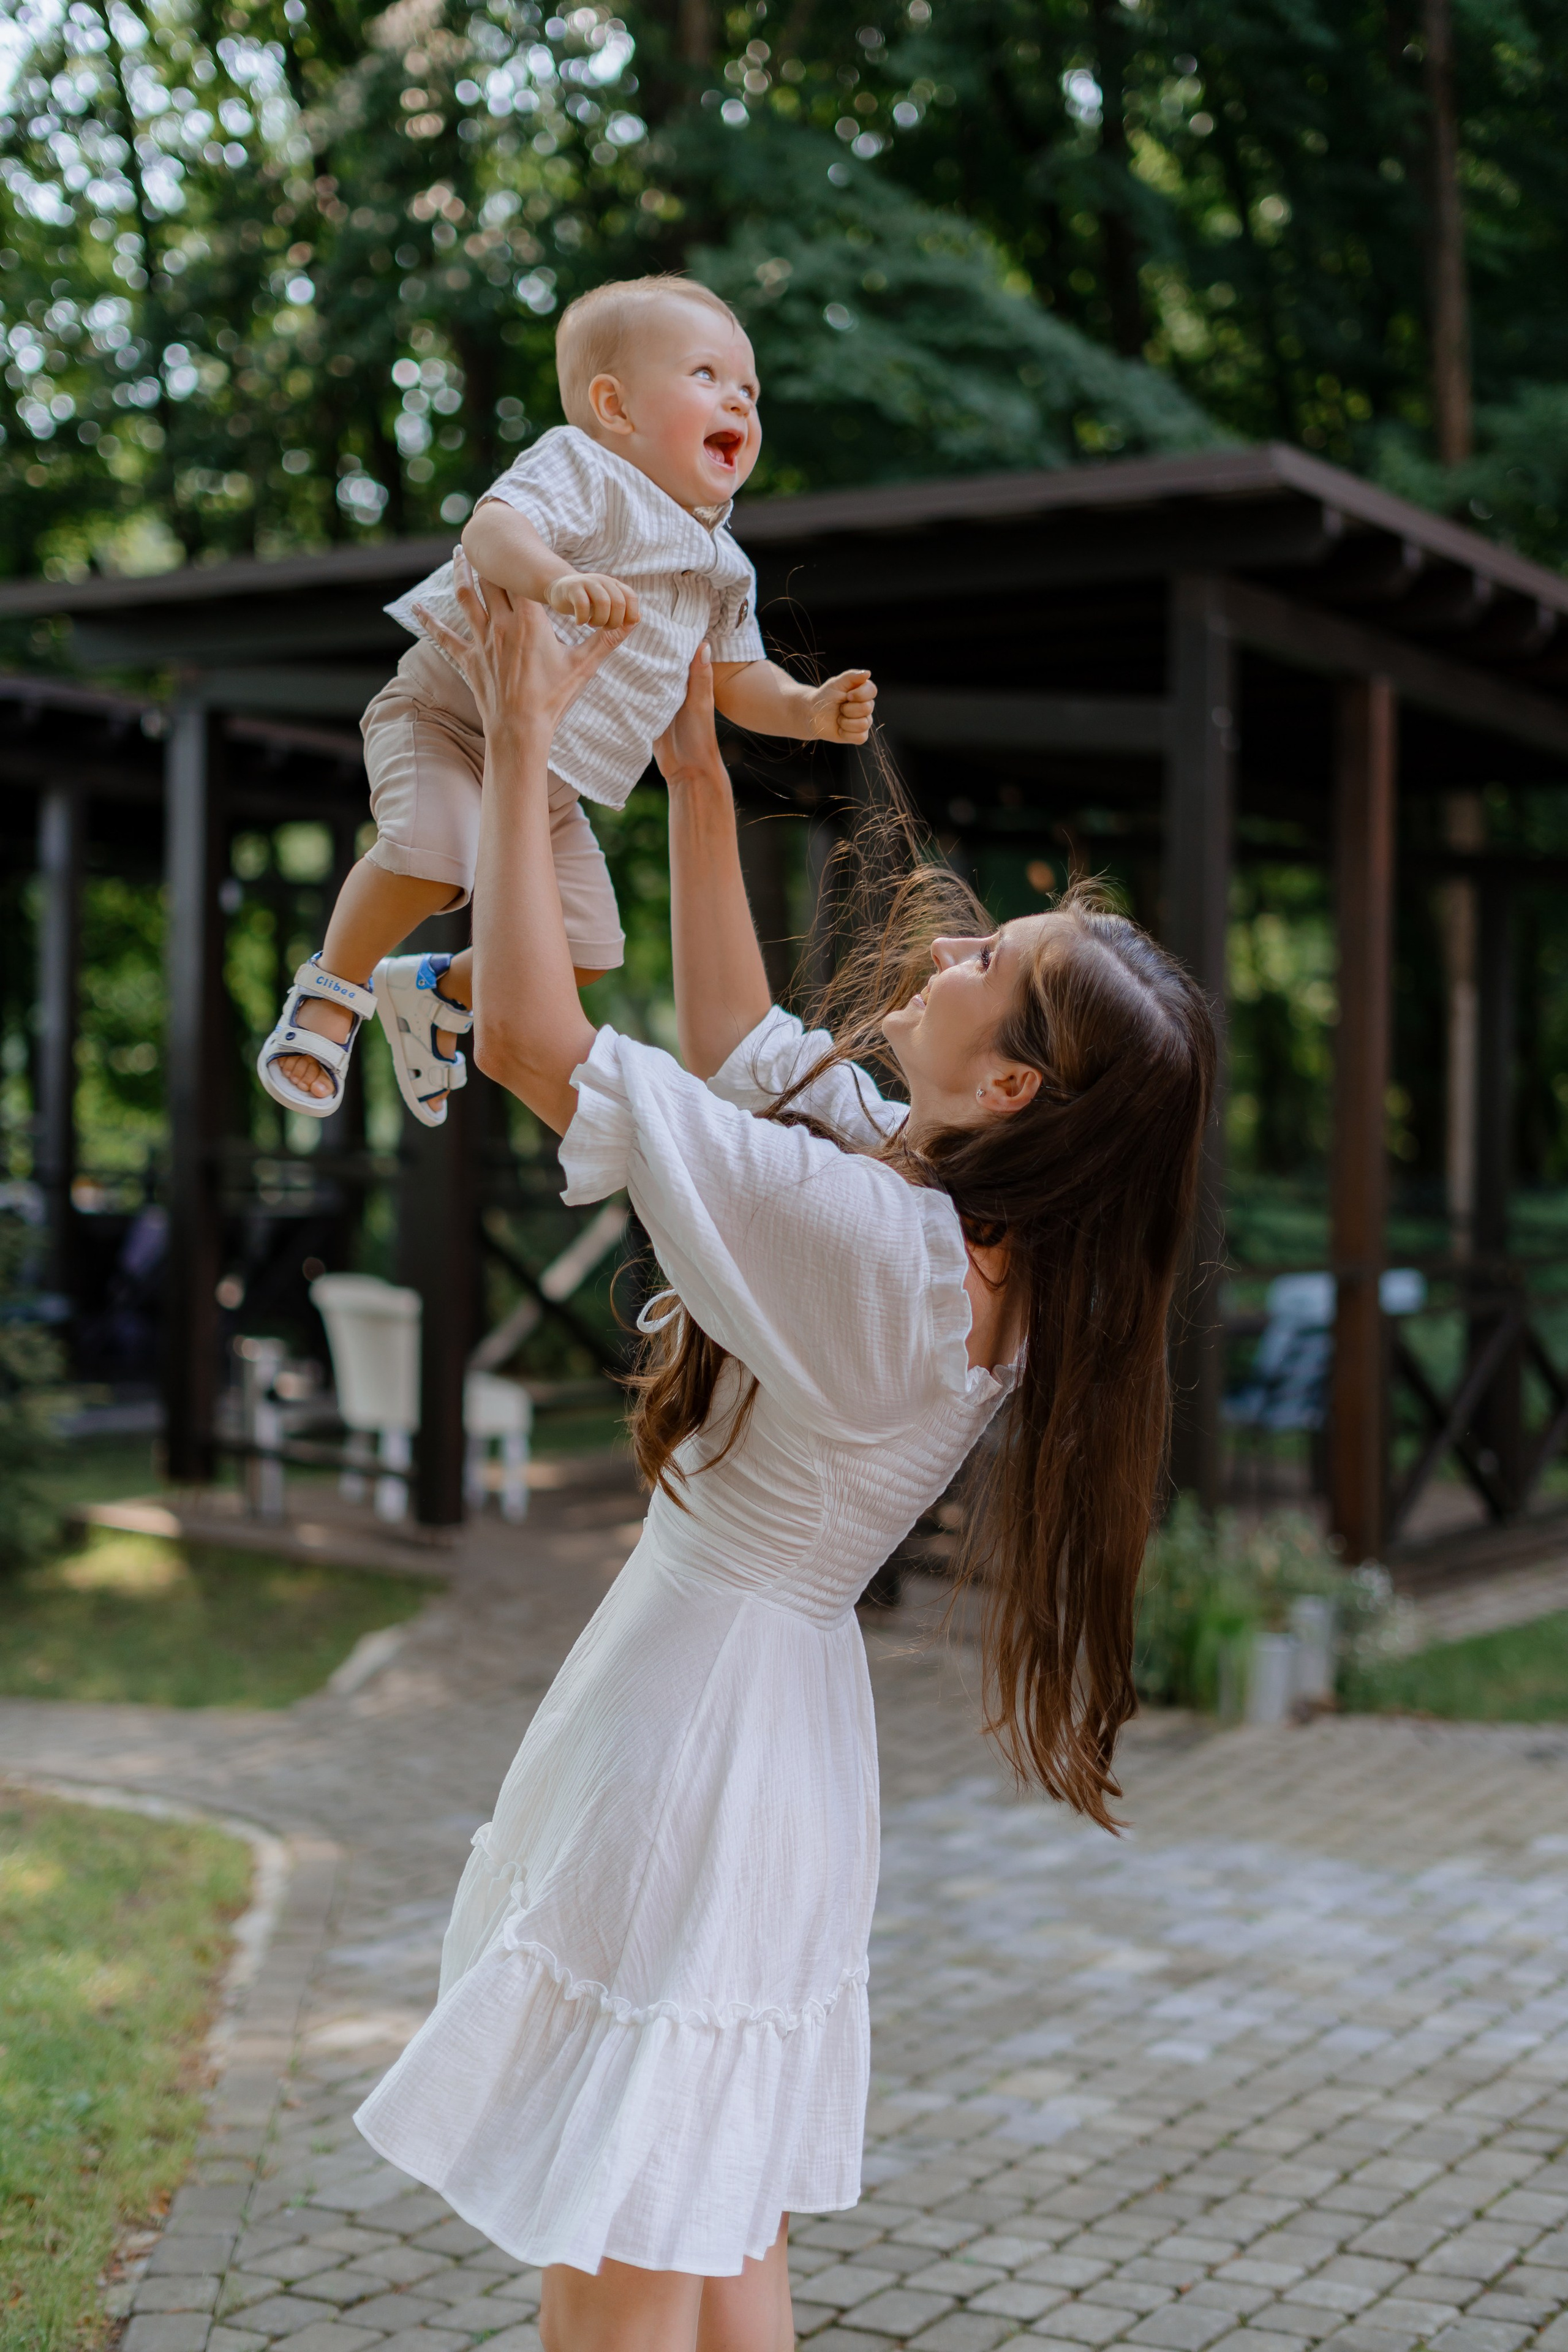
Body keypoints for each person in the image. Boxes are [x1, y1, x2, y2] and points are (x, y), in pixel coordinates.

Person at [353, 568, 1216, 2352]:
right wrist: (696, 778)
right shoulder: (966, 1244)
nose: (953, 947)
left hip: (698, 1722)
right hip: (775, 1728)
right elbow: (749, 1058)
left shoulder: (879, 1251)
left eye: (996, 970)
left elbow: (531, 1040)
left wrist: (521, 746)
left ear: (1015, 1095)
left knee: (620, 2210)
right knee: (712, 2218)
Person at [256, 273, 876, 1128]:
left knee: (584, 950)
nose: (738, 399)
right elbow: (490, 530)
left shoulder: (721, 560)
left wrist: (805, 709)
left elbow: (734, 678)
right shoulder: (584, 468)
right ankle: (333, 987)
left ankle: (434, 991)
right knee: (436, 852)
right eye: (706, 376)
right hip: (447, 721)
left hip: (549, 782)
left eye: (749, 389)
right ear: (615, 408)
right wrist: (561, 580)